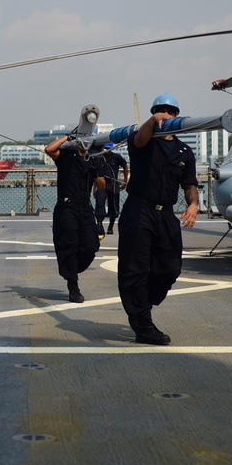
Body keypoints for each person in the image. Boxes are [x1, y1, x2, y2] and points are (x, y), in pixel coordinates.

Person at [117, 93, 198, 345]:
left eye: (170, 111)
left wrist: (194, 203)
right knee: (136, 267)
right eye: (161, 110)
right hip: (139, 210)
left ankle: (142, 305)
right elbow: (141, 138)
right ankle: (142, 321)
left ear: (176, 114)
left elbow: (189, 184)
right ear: (154, 113)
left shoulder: (185, 151)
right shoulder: (142, 140)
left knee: (170, 268)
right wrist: (153, 122)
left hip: (166, 215)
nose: (166, 114)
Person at [45, 130, 105, 302]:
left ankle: (71, 268)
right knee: (69, 244)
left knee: (90, 245)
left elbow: (101, 185)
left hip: (85, 207)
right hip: (66, 206)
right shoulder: (66, 154)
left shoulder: (94, 158)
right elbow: (49, 150)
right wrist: (67, 138)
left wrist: (95, 174)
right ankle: (73, 285)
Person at [92, 144, 128, 237]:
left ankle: (111, 226)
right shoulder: (99, 157)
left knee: (114, 205)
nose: (106, 150)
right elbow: (95, 173)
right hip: (102, 184)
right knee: (100, 203)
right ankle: (99, 224)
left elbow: (125, 166)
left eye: (108, 149)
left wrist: (125, 181)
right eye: (105, 148)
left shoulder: (117, 157)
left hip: (113, 183)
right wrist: (94, 188)